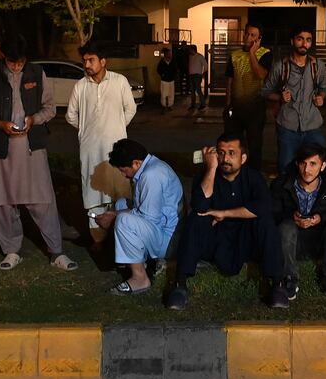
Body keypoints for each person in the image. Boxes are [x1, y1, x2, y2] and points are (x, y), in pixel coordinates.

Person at [0, 34, 78, 271]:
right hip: (3, 149)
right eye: (12, 62)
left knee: (42, 200)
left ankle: (56, 252)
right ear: (4, 57)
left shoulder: (36, 73)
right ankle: (11, 250)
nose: (17, 66)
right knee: (4, 201)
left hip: (32, 148)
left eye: (20, 62)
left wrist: (34, 119)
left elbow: (50, 108)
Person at [166, 133, 289, 310]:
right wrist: (211, 169)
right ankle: (179, 285)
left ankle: (277, 285)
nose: (226, 158)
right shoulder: (207, 175)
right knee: (196, 219)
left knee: (266, 222)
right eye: (221, 153)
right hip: (216, 238)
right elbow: (200, 205)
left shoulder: (253, 178)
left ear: (243, 157)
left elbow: (263, 207)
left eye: (232, 153)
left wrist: (224, 213)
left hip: (244, 238)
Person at [66, 41, 138, 249]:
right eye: (84, 61)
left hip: (116, 149)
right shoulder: (81, 85)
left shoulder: (119, 81)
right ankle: (98, 239)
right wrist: (87, 130)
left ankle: (122, 237)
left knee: (119, 191)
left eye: (91, 60)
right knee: (93, 193)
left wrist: (115, 128)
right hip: (89, 149)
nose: (87, 64)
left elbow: (130, 109)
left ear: (103, 61)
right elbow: (71, 116)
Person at [94, 139, 183, 295]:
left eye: (123, 170)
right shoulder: (151, 167)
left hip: (169, 241)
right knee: (122, 204)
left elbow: (149, 218)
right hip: (163, 230)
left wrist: (114, 218)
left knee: (123, 221)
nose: (123, 175)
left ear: (136, 163)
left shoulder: (151, 176)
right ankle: (132, 259)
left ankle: (140, 278)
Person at [270, 143, 326, 299]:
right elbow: (271, 213)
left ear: (322, 166)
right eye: (303, 163)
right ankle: (289, 278)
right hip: (292, 241)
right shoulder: (281, 184)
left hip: (320, 240)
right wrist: (291, 216)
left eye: (313, 164)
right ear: (297, 164)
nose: (307, 170)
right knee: (285, 226)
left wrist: (320, 218)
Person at [263, 26, 326, 174]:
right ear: (292, 41)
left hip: (312, 125)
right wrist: (279, 97)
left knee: (323, 166)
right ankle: (285, 196)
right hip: (287, 126)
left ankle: (318, 196)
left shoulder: (318, 65)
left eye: (308, 40)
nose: (304, 43)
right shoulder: (281, 65)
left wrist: (321, 98)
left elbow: (324, 87)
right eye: (300, 39)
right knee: (286, 169)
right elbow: (265, 91)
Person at [223, 22, 273, 171]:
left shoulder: (265, 54)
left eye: (253, 35)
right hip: (236, 109)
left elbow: (260, 75)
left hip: (255, 109)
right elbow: (229, 82)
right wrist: (227, 106)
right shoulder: (234, 55)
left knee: (254, 146)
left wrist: (252, 53)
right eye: (247, 33)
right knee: (233, 144)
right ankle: (235, 172)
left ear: (259, 39)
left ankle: (254, 176)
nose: (248, 37)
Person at [187, 45, 208, 111]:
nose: (189, 51)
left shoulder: (200, 56)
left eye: (190, 49)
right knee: (192, 91)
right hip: (191, 75)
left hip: (197, 76)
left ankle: (203, 104)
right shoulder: (190, 57)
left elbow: (206, 66)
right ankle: (193, 104)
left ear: (193, 49)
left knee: (198, 90)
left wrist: (203, 74)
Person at [156, 47, 177, 111]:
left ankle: (170, 105)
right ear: (165, 54)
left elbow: (175, 69)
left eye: (170, 54)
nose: (170, 55)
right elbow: (158, 70)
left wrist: (173, 76)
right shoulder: (162, 62)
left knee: (171, 94)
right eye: (168, 54)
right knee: (164, 94)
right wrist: (162, 74)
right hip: (164, 81)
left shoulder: (173, 61)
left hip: (171, 80)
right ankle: (164, 106)